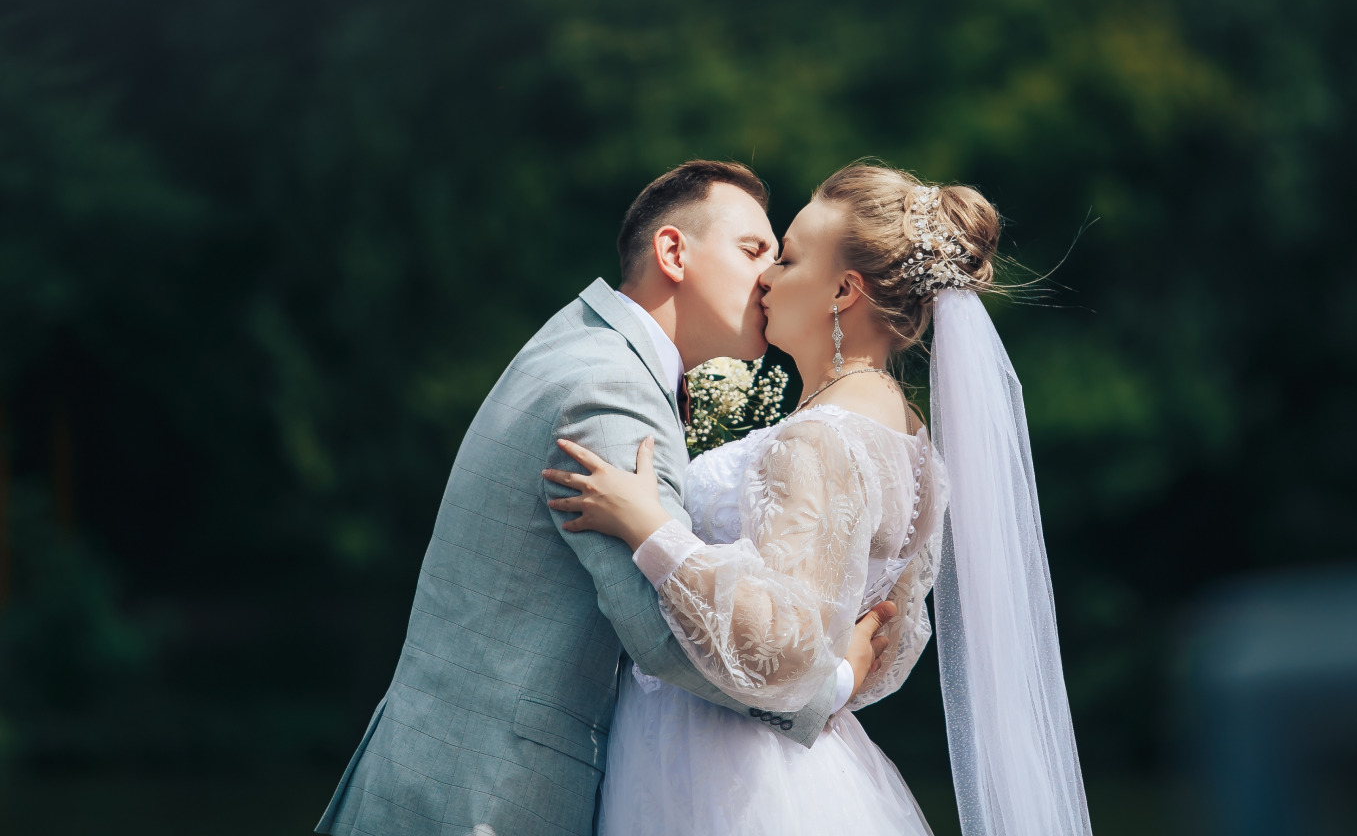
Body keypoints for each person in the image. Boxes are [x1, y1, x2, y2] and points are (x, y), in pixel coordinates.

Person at [316, 160, 892, 836]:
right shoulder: (611, 391)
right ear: (673, 251)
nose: (769, 276)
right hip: (489, 798)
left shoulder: (581, 343)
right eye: (751, 250)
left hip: (443, 772)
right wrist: (829, 688)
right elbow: (664, 634)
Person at [548, 163, 1094, 836]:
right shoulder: (910, 442)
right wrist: (836, 677)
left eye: (791, 259)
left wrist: (650, 528)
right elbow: (885, 645)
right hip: (804, 761)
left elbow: (782, 644)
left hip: (722, 774)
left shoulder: (819, 439)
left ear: (843, 289)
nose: (769, 276)